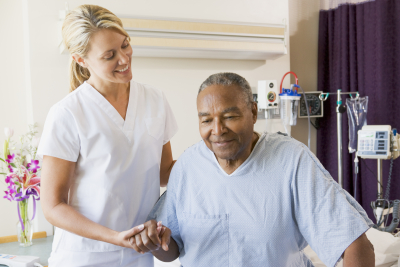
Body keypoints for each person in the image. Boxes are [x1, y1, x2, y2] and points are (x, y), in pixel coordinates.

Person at [130, 73, 375, 267]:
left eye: (230, 116)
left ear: (254, 112)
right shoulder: (188, 167)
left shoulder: (291, 161)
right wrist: (155, 241)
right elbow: (171, 249)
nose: (217, 130)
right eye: (206, 120)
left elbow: (355, 244)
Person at [37, 5, 177, 267]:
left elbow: (165, 172)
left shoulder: (154, 99)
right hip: (85, 257)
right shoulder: (67, 113)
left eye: (125, 45)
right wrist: (116, 237)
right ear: (81, 60)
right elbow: (53, 206)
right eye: (110, 55)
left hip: (140, 254)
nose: (124, 59)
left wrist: (215, 158)